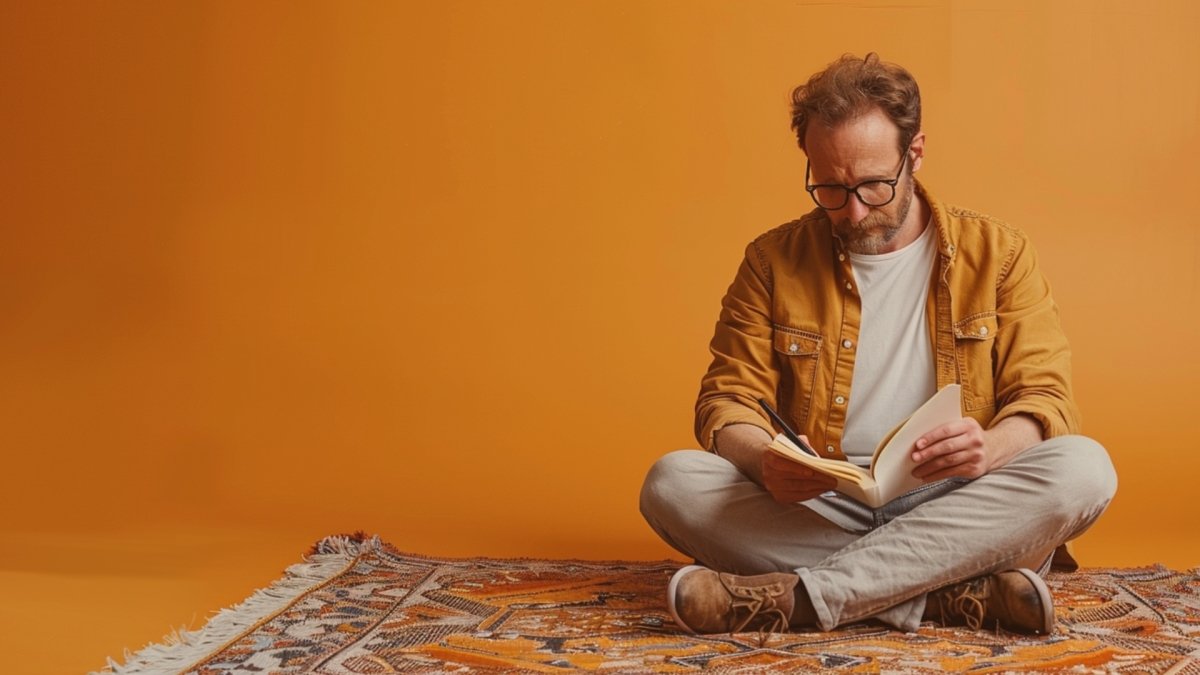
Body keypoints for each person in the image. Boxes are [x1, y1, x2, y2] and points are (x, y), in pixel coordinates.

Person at [639, 53, 1117, 636]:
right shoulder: (771, 261)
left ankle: (806, 600)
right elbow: (726, 401)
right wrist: (764, 462)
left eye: (872, 185)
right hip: (821, 500)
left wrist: (990, 449)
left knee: (1084, 469)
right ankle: (950, 595)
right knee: (673, 482)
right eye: (830, 189)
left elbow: (1045, 398)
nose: (854, 210)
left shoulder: (1001, 254)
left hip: (959, 500)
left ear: (914, 153)